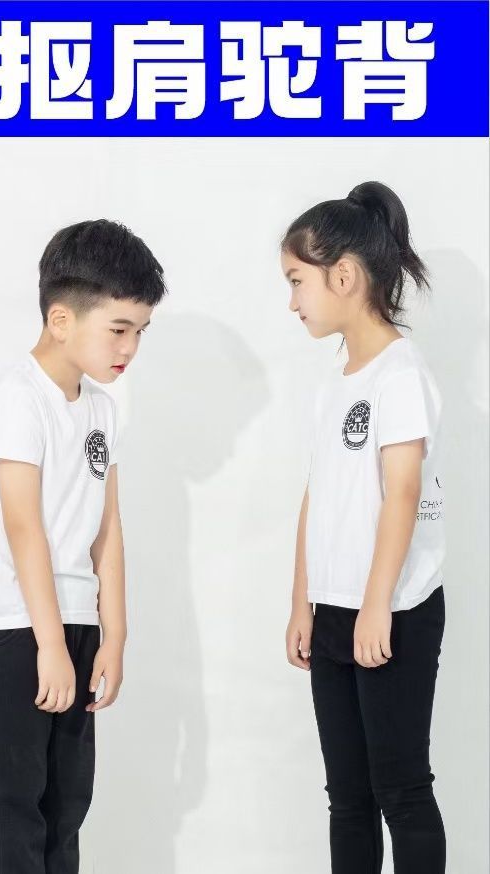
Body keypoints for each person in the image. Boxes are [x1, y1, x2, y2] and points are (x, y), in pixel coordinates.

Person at [0, 219, 167, 873]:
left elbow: (107, 526)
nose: (130, 347)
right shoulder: (17, 398)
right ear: (61, 318)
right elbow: (23, 527)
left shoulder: (100, 409)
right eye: (119, 329)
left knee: (66, 805)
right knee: (13, 811)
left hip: (73, 621)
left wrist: (114, 635)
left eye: (141, 331)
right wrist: (47, 645)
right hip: (10, 626)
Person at [282, 182, 446, 873]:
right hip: (333, 610)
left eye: (297, 281)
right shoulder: (337, 379)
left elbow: (401, 496)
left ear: (343, 276)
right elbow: (317, 494)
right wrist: (303, 602)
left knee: (400, 791)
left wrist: (376, 605)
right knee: (346, 798)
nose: (293, 301)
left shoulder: (399, 375)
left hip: (393, 611)